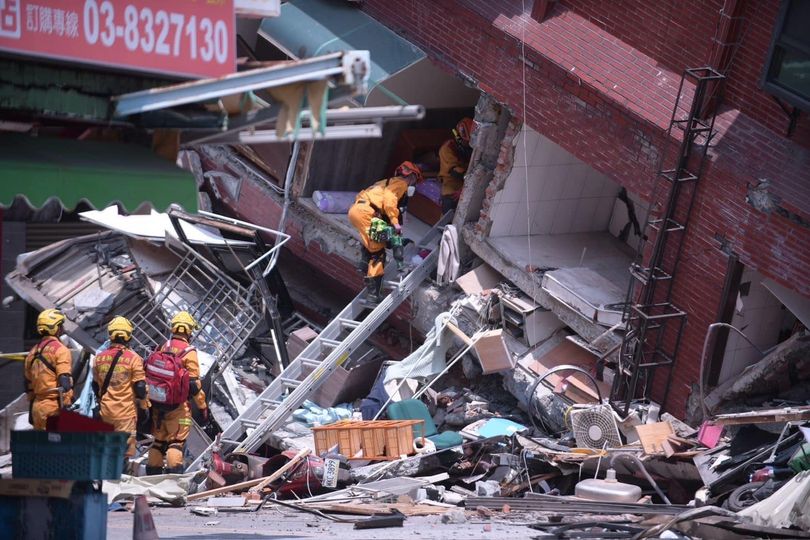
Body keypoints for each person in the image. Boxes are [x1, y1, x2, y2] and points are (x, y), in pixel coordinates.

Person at [347, 161, 423, 303]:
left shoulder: (385, 182)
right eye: (415, 180)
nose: (413, 184)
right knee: (378, 253)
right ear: (412, 177)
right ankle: (373, 295)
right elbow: (389, 201)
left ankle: (363, 264)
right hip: (367, 213)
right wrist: (395, 222)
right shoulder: (401, 184)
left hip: (357, 210)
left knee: (374, 238)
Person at [146, 311, 208, 474]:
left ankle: (152, 476)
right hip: (178, 407)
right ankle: (174, 480)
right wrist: (202, 407)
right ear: (189, 331)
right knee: (176, 442)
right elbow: (194, 385)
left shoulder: (163, 346)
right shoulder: (189, 352)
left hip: (158, 404)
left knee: (159, 441)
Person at [92, 316, 148, 461]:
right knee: (123, 455)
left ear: (110, 335)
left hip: (105, 412)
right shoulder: (134, 358)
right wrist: (144, 408)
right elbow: (140, 388)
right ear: (128, 335)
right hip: (125, 414)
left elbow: (95, 385)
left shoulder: (99, 358)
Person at [24, 309, 73, 430]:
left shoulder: (32, 352)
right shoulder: (61, 350)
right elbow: (64, 382)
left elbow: (28, 385)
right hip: (54, 408)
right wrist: (67, 407)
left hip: (37, 409)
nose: (62, 329)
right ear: (55, 328)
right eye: (60, 325)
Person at [438, 117, 474, 213]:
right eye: (466, 142)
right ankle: (445, 225)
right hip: (451, 182)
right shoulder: (447, 149)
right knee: (450, 201)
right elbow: (454, 171)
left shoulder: (473, 149)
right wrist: (467, 185)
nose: (468, 144)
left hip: (467, 181)